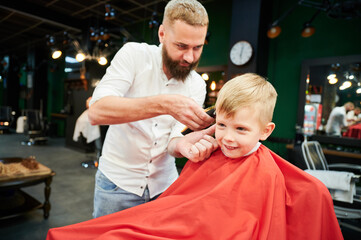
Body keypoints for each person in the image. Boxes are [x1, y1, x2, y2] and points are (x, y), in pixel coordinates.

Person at [47, 73, 343, 240]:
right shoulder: (209, 153)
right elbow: (179, 207)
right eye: (222, 125)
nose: (227, 137)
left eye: (241, 129)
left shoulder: (268, 174)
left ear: (266, 131)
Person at [88, 0, 217, 218]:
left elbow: (174, 141)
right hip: (117, 184)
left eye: (198, 47)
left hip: (165, 186)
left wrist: (187, 146)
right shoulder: (134, 55)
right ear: (162, 34)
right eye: (181, 46)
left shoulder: (197, 84)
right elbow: (97, 111)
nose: (189, 57)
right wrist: (165, 104)